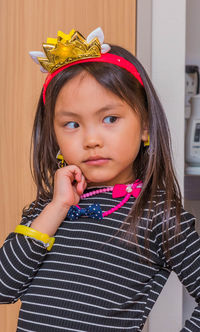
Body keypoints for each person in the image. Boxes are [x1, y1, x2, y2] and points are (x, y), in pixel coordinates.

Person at [0, 27, 200, 332]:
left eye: (110, 119)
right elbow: (4, 289)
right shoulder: (47, 209)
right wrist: (56, 208)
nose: (92, 139)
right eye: (71, 124)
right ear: (54, 137)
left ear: (145, 126)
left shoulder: (160, 215)